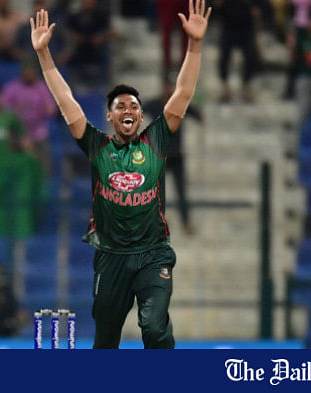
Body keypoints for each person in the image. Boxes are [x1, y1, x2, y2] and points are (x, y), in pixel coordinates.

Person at [30, 0, 211, 348]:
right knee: (106, 341)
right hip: (111, 257)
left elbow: (183, 93)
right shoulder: (97, 146)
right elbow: (65, 98)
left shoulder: (156, 140)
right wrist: (44, 55)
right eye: (120, 106)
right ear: (110, 118)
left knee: (155, 329)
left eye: (134, 106)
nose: (128, 109)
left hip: (153, 254)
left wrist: (195, 44)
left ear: (141, 117)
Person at [142, 81, 202, 235]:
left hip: (175, 155)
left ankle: (185, 222)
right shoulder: (155, 104)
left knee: (181, 191)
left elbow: (198, 115)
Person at [1, 60, 57, 174]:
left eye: (32, 72)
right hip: (18, 134)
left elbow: (51, 110)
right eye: (27, 72)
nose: (29, 74)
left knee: (44, 167)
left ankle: (43, 183)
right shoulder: (12, 88)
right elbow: (3, 110)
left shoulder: (41, 87)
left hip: (38, 133)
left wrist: (45, 108)